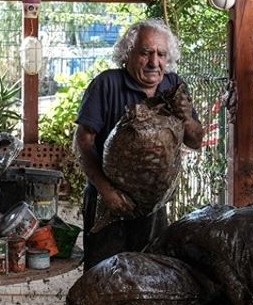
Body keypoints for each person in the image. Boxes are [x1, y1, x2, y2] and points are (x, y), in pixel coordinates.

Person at [73, 19, 204, 270]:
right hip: (107, 200)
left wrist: (186, 117)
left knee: (150, 271)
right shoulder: (106, 84)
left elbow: (196, 141)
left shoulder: (174, 85)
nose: (154, 62)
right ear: (127, 55)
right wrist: (105, 190)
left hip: (153, 204)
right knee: (104, 273)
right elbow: (83, 141)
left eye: (161, 54)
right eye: (145, 53)